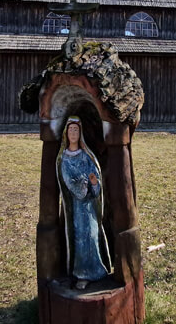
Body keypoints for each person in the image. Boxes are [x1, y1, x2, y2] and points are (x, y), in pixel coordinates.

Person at [56, 116, 110, 290]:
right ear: (66, 133)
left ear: (80, 134)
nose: (73, 133)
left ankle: (97, 271)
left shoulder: (87, 155)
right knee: (80, 238)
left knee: (93, 236)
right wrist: (82, 184)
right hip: (78, 207)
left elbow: (94, 174)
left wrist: (94, 182)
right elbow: (69, 181)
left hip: (90, 206)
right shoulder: (64, 159)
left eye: (76, 130)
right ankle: (82, 274)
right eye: (71, 130)